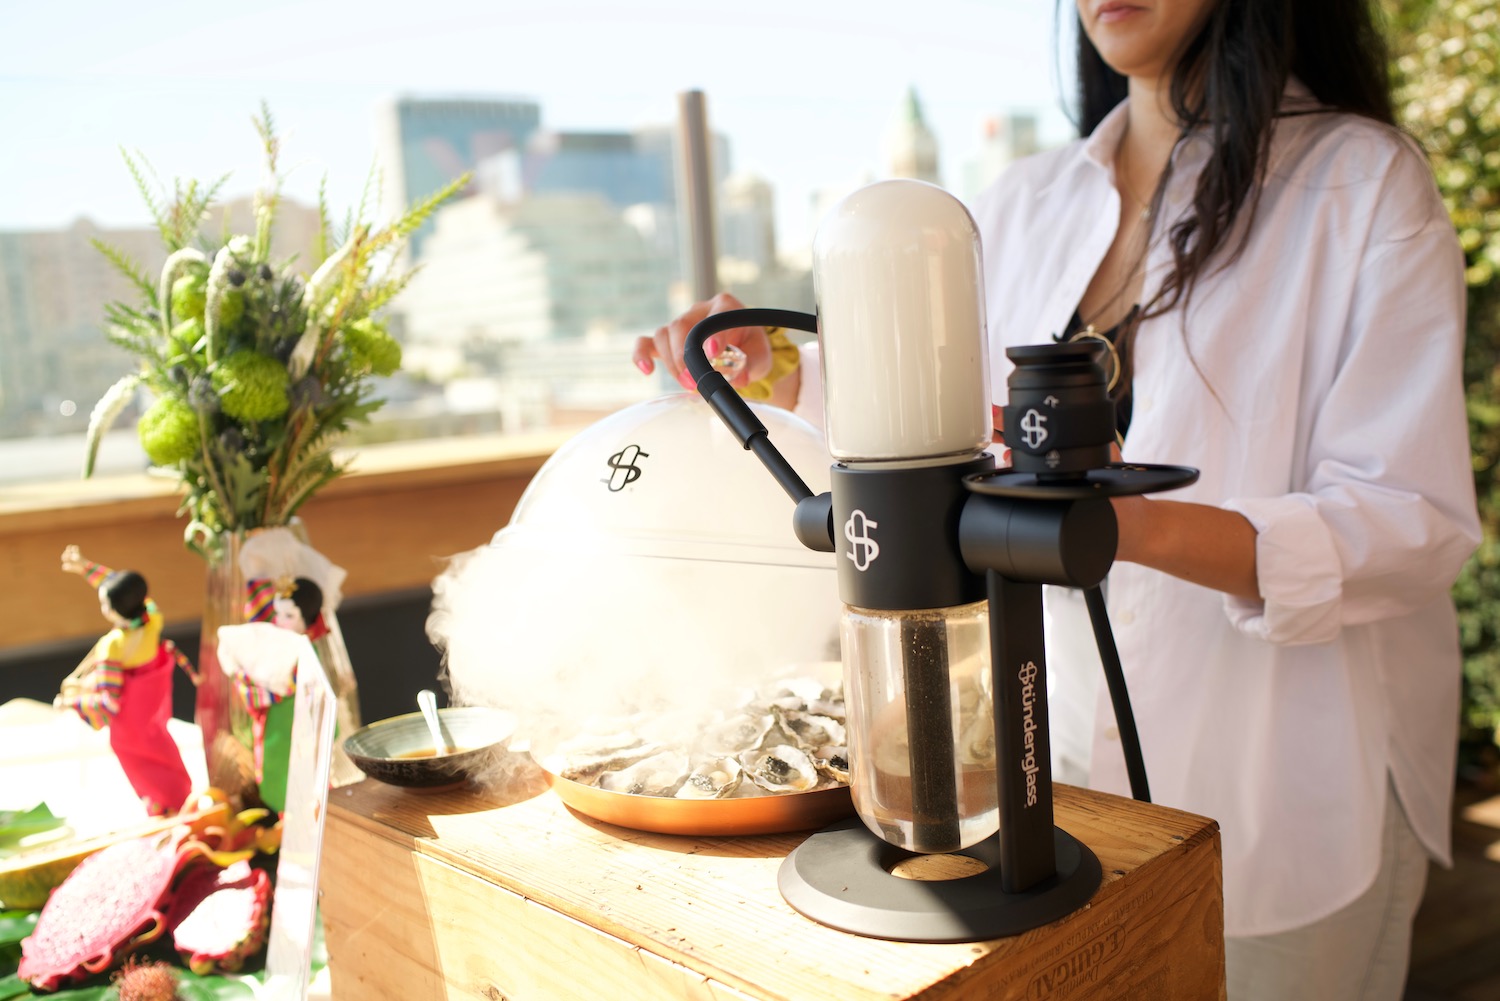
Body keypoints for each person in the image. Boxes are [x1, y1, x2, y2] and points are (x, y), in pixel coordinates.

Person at [632, 2, 1481, 998]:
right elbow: (939, 422)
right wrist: (776, 371)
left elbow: (1407, 520)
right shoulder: (1019, 203)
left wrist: (1125, 525)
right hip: (1059, 763)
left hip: (1289, 774)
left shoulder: (1361, 183)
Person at [56, 545, 196, 817]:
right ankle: (179, 796)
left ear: (110, 609)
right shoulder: (152, 618)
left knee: (140, 759)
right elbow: (125, 592)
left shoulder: (113, 646)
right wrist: (85, 567)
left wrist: (72, 703)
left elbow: (110, 701)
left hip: (132, 716)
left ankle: (161, 805)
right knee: (162, 746)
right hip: (154, 698)